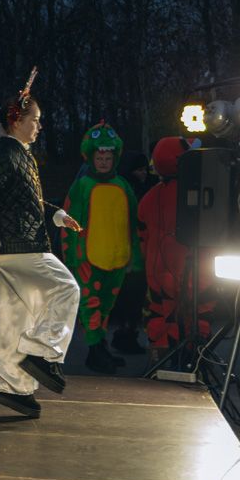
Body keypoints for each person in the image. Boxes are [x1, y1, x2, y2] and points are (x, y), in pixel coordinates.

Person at [0, 69, 82, 418]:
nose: (39, 126)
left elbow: (23, 202)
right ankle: (42, 352)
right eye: (35, 120)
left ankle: (14, 389)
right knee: (67, 288)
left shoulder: (18, 154)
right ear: (17, 120)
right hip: (21, 247)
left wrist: (57, 215)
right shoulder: (7, 155)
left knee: (11, 319)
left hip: (12, 248)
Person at [60, 122, 142, 374]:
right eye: (99, 157)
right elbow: (69, 221)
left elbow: (133, 223)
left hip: (117, 258)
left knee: (106, 305)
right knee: (90, 304)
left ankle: (100, 346)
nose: (104, 162)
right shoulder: (82, 186)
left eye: (108, 157)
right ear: (91, 157)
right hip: (89, 258)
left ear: (114, 157)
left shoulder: (123, 186)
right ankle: (95, 350)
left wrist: (134, 257)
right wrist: (73, 255)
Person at [138, 137, 214, 367]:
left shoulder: (150, 197)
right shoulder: (197, 194)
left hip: (158, 273)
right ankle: (196, 357)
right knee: (198, 312)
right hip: (195, 270)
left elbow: (142, 235)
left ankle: (160, 357)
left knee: (160, 314)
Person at [111, 150, 156, 355]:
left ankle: (127, 335)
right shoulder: (127, 187)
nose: (143, 173)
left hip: (139, 251)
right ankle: (125, 336)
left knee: (134, 298)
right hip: (130, 252)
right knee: (129, 298)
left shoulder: (142, 186)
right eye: (139, 169)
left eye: (145, 169)